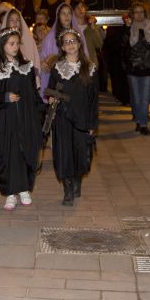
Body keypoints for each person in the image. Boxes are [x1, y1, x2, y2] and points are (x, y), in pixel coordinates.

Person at [0, 27, 43, 211]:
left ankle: (24, 189)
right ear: (2, 46)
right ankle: (9, 193)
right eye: (11, 44)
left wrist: (43, 109)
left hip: (24, 118)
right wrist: (5, 97)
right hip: (4, 121)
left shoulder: (26, 66)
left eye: (17, 43)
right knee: (8, 153)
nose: (15, 47)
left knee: (24, 151)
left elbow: (33, 92)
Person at [47, 28, 99, 206]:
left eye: (73, 41)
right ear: (62, 47)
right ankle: (67, 189)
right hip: (62, 118)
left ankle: (77, 181)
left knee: (80, 152)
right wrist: (52, 98)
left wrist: (93, 123)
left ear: (79, 44)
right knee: (64, 153)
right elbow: (51, 89)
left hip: (82, 118)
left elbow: (93, 98)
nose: (70, 44)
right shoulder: (57, 68)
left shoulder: (89, 68)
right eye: (66, 42)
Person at [124, 2, 150, 135]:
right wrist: (127, 30)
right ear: (132, 14)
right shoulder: (128, 28)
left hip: (148, 67)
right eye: (136, 12)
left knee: (145, 97)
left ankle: (143, 123)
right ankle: (139, 120)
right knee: (136, 97)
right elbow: (124, 47)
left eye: (141, 12)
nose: (139, 15)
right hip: (133, 68)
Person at [39, 3, 88, 91]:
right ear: (58, 16)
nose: (66, 16)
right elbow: (43, 56)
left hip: (75, 75)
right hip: (56, 77)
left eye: (69, 13)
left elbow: (85, 54)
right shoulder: (50, 37)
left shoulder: (78, 34)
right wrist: (44, 62)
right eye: (63, 13)